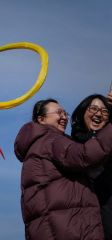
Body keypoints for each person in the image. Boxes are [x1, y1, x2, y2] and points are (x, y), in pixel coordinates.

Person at [14, 98, 112, 240]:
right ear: (41, 119)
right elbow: (85, 155)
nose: (64, 117)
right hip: (67, 229)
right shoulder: (50, 139)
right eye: (59, 113)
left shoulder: (35, 146)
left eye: (65, 113)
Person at [71, 94, 112, 240]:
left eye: (105, 111)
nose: (98, 113)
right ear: (82, 112)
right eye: (93, 108)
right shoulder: (70, 146)